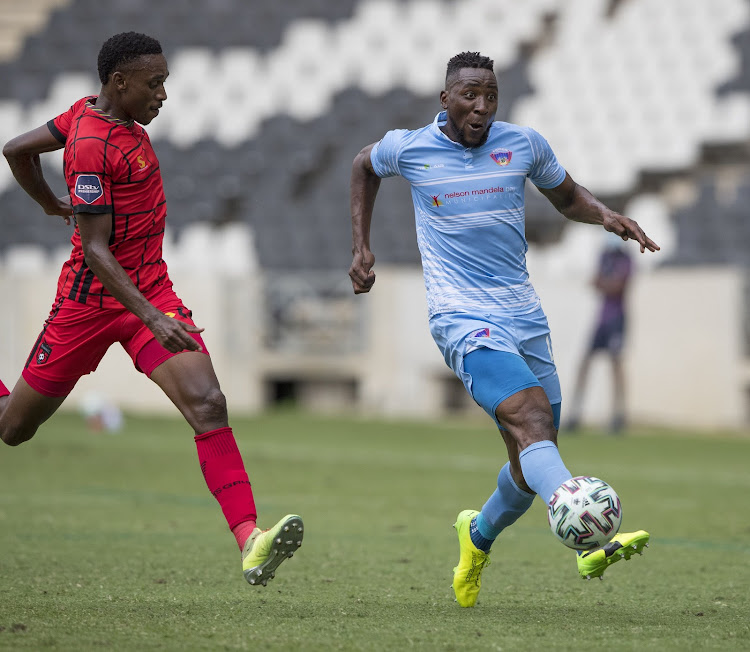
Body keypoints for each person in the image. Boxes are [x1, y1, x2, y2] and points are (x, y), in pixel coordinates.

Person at [349, 51, 657, 607]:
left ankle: (477, 535)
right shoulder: (411, 147)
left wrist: (605, 215)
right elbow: (363, 164)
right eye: (469, 95)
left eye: (490, 95)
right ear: (446, 99)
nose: (482, 107)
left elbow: (567, 198)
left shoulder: (524, 144)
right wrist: (361, 246)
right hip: (461, 315)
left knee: (530, 452)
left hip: (523, 314)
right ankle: (586, 533)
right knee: (532, 418)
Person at [0, 32, 302, 587]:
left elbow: (15, 149)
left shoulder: (93, 116)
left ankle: (250, 542)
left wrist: (48, 205)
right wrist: (153, 318)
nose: (164, 94)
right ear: (120, 82)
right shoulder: (90, 145)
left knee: (208, 403)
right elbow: (95, 251)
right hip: (91, 303)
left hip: (149, 290)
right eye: (155, 83)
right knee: (13, 429)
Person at [566, 233, 634, 434]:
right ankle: (575, 412)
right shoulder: (604, 255)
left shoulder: (626, 259)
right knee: (585, 362)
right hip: (601, 319)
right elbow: (597, 281)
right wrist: (605, 283)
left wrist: (604, 283)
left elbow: (618, 287)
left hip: (617, 318)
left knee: (616, 364)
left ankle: (618, 414)